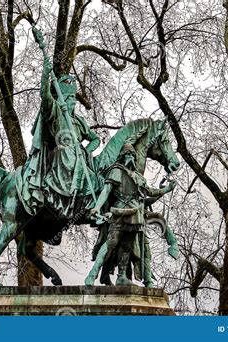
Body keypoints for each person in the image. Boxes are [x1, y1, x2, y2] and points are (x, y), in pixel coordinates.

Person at [19, 29, 100, 219]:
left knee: (95, 178)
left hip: (79, 156)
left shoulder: (79, 121)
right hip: (60, 153)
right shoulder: (56, 111)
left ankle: (85, 206)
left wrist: (86, 150)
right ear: (63, 98)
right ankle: (58, 194)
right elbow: (44, 97)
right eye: (69, 97)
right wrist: (46, 76)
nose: (73, 101)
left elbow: (95, 139)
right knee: (66, 152)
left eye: (74, 98)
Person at [85, 143, 175, 287]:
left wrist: (166, 190)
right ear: (122, 156)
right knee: (110, 244)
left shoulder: (138, 177)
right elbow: (106, 191)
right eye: (128, 154)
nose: (131, 157)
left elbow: (151, 192)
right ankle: (92, 274)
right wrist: (96, 207)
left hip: (135, 217)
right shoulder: (116, 171)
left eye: (133, 155)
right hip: (119, 212)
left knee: (127, 246)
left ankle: (121, 276)